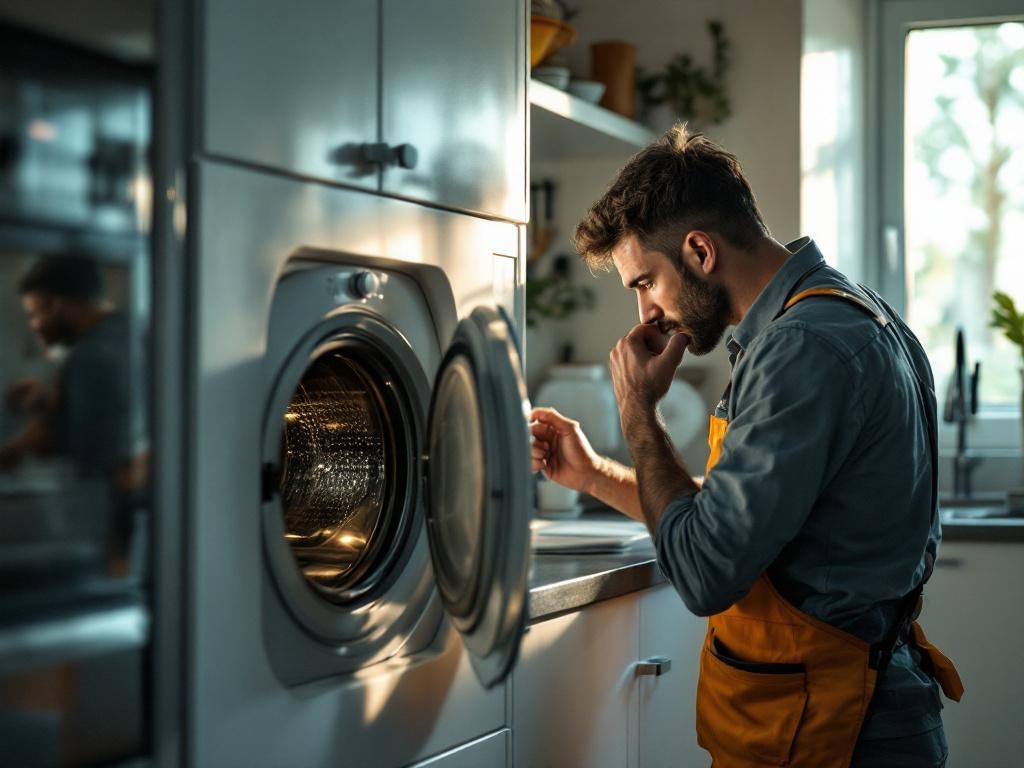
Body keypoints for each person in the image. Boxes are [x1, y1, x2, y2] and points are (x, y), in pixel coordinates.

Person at [530, 125, 963, 768]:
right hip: (837, 717)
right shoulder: (842, 314)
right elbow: (731, 517)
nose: (646, 313)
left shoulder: (801, 349)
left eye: (645, 282)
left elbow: (706, 572)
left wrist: (638, 411)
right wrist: (592, 474)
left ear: (700, 250)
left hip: (834, 733)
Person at [0, 253, 148, 573]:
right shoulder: (132, 330)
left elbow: (64, 439)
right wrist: (48, 399)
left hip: (117, 518)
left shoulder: (89, 356)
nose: (35, 327)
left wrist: (10, 453)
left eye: (34, 314)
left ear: (56, 304)